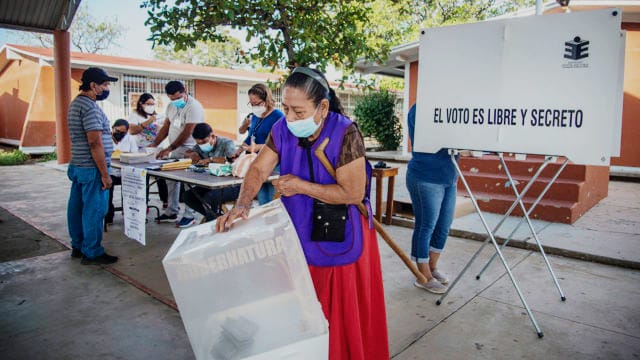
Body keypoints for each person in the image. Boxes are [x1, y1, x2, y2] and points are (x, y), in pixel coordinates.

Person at [217, 67, 389, 359]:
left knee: (338, 314)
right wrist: (242, 205)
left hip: (341, 232)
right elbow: (259, 169)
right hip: (297, 227)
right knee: (300, 306)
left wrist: (300, 185)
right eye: (285, 108)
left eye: (298, 111)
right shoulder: (281, 129)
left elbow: (352, 193)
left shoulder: (346, 132)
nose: (291, 118)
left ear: (322, 107)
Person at [66, 67, 119, 265]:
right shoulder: (89, 107)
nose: (106, 88)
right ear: (93, 86)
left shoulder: (76, 104)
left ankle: (78, 245)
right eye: (104, 85)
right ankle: (93, 251)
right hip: (92, 167)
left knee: (77, 207)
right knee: (94, 210)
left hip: (79, 165)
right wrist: (105, 174)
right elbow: (94, 142)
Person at [406, 104, 457, 294]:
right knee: (426, 225)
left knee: (444, 225)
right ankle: (423, 275)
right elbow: (431, 139)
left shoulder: (454, 105)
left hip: (449, 177)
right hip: (425, 177)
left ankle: (433, 267)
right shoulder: (419, 109)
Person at [150, 81, 204, 228]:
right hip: (174, 149)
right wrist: (154, 144)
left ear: (184, 91)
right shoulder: (171, 106)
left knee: (189, 183)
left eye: (178, 98)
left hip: (190, 150)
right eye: (172, 99)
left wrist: (169, 148)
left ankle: (189, 214)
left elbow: (188, 131)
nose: (175, 101)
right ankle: (171, 211)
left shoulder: (194, 107)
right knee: (171, 180)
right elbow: (166, 126)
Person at [235, 84, 284, 205]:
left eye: (256, 104)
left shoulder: (278, 117)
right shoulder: (254, 117)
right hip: (256, 160)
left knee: (266, 198)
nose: (254, 107)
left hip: (273, 163)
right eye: (251, 104)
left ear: (266, 100)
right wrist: (241, 149)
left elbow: (282, 142)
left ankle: (269, 222)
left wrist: (257, 147)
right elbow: (250, 136)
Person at [183, 123, 240, 222]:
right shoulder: (199, 146)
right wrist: (191, 154)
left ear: (212, 136)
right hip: (211, 184)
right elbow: (187, 153)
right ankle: (216, 218)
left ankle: (212, 221)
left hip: (231, 185)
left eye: (204, 142)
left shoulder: (227, 143)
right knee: (188, 196)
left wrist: (211, 159)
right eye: (199, 143)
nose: (201, 145)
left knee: (210, 197)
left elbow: (233, 160)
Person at [128, 93, 169, 209]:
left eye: (153, 104)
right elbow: (132, 130)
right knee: (143, 177)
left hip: (156, 151)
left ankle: (165, 200)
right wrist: (149, 121)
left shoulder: (158, 116)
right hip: (141, 151)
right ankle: (144, 203)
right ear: (141, 104)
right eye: (148, 104)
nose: (151, 106)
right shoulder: (135, 115)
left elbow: (163, 132)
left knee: (161, 176)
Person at [105, 119, 137, 225]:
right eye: (117, 131)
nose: (119, 134)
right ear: (113, 128)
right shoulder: (106, 139)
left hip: (126, 172)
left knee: (136, 185)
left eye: (122, 132)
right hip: (111, 172)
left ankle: (130, 214)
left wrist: (124, 154)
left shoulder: (130, 139)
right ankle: (108, 215)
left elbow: (135, 155)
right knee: (107, 190)